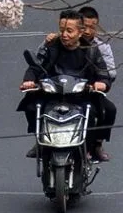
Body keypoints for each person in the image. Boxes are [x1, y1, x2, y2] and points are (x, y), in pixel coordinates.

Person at [19, 9, 114, 161]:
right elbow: (35, 67)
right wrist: (28, 81)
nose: (64, 35)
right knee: (32, 107)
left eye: (69, 31)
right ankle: (40, 140)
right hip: (52, 94)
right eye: (62, 30)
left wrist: (102, 83)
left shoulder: (91, 50)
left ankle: (91, 147)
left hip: (81, 96)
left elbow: (103, 73)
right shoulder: (51, 46)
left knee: (100, 111)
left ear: (80, 32)